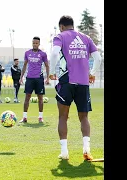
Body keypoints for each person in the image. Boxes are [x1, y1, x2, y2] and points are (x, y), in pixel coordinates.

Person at [49, 15, 101, 160]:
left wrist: (52, 72)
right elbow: (98, 58)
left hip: (67, 81)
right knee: (84, 117)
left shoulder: (60, 36)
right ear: (73, 25)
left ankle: (64, 152)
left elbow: (54, 53)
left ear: (61, 26)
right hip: (83, 82)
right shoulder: (86, 38)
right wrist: (92, 73)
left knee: (63, 116)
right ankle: (86, 150)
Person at [19, 37, 49, 123]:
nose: (35, 44)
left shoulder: (43, 54)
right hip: (29, 78)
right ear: (32, 43)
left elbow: (47, 65)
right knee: (27, 97)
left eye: (36, 43)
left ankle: (40, 117)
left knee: (40, 98)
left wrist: (47, 78)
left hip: (39, 78)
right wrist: (21, 77)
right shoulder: (27, 53)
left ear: (39, 44)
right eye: (34, 43)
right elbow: (24, 65)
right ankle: (24, 117)